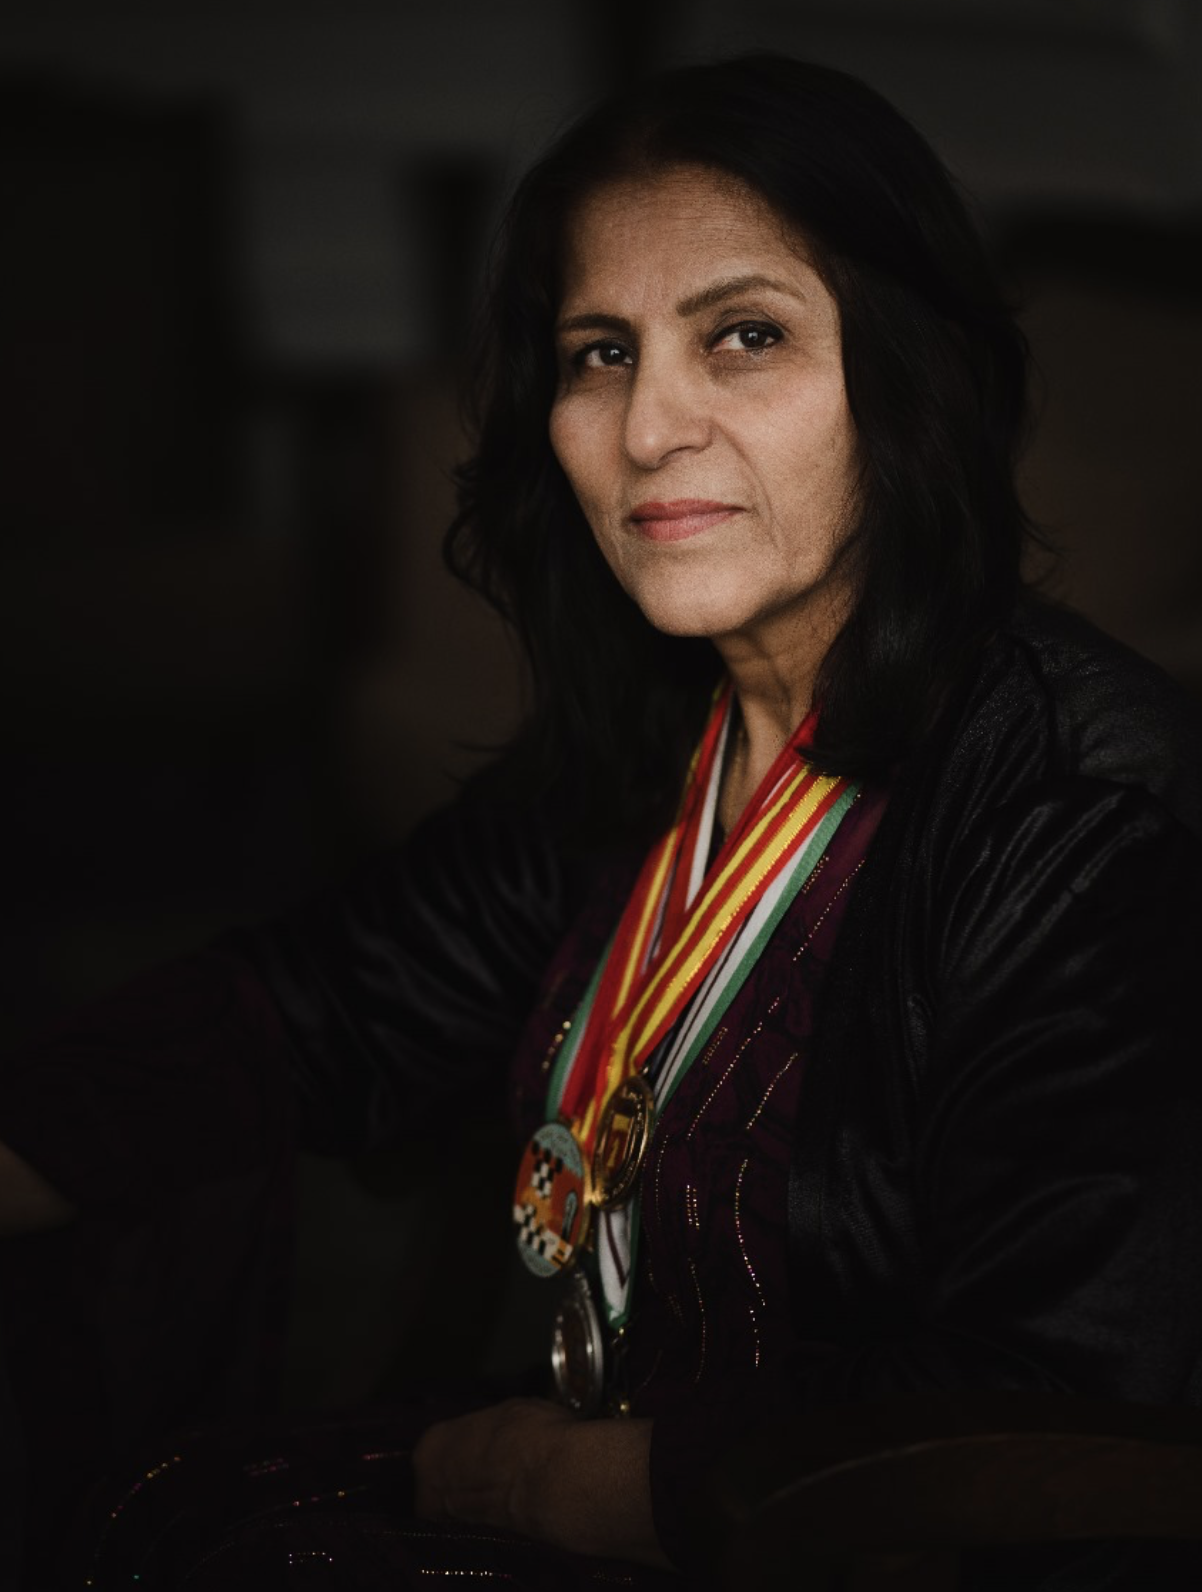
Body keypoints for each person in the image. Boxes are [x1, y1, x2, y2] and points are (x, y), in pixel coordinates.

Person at [3, 52, 1202, 1592]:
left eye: (744, 335)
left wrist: (577, 1487)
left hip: (858, 1537)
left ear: (913, 377)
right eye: (598, 352)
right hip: (625, 1465)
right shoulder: (647, 749)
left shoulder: (1085, 815)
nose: (646, 428)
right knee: (166, 1517)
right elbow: (313, 1006)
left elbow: (1062, 1403)